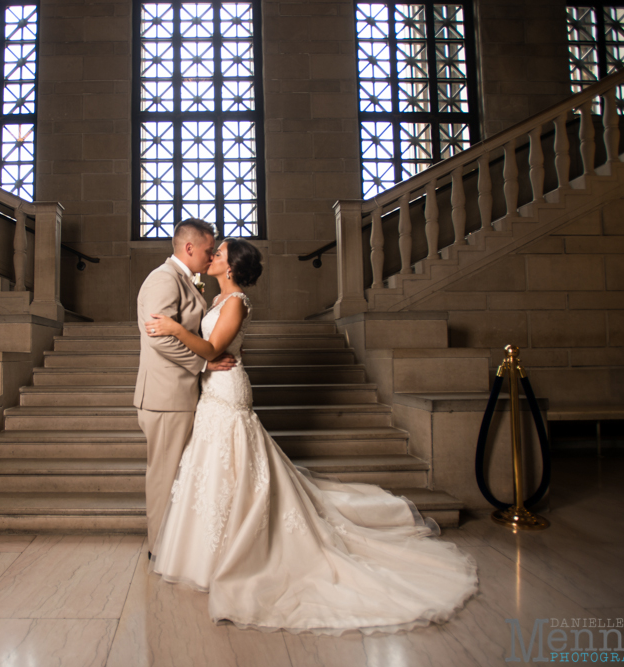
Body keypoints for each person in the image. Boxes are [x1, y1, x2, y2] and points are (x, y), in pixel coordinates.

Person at [144, 238, 479, 635]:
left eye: (219, 253)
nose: (213, 255)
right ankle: (206, 552)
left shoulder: (235, 303)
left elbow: (214, 348)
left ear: (232, 267)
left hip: (229, 388)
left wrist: (173, 328)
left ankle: (242, 551)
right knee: (214, 468)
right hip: (212, 393)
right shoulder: (215, 301)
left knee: (236, 462)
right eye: (213, 251)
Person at [134, 218, 236, 554]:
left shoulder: (184, 279)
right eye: (208, 251)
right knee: (164, 476)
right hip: (166, 397)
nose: (211, 257)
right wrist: (204, 363)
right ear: (189, 248)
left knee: (178, 474)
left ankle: (175, 545)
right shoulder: (163, 281)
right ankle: (159, 548)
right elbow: (158, 340)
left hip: (181, 394)